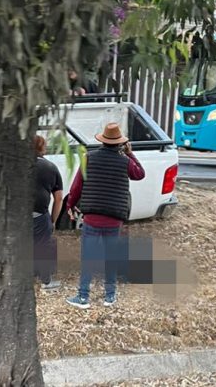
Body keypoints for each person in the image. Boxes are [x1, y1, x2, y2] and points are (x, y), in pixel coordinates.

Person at [65, 123, 145, 309]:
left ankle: (83, 297)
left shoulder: (89, 158)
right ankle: (109, 297)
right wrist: (130, 154)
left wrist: (70, 205)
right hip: (114, 218)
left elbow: (77, 187)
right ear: (120, 144)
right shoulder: (126, 162)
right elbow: (140, 174)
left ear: (101, 140)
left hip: (92, 217)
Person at [33, 135, 63, 290]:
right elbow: (58, 198)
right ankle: (46, 281)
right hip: (40, 214)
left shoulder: (16, 166)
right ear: (41, 147)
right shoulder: (50, 167)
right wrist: (53, 220)